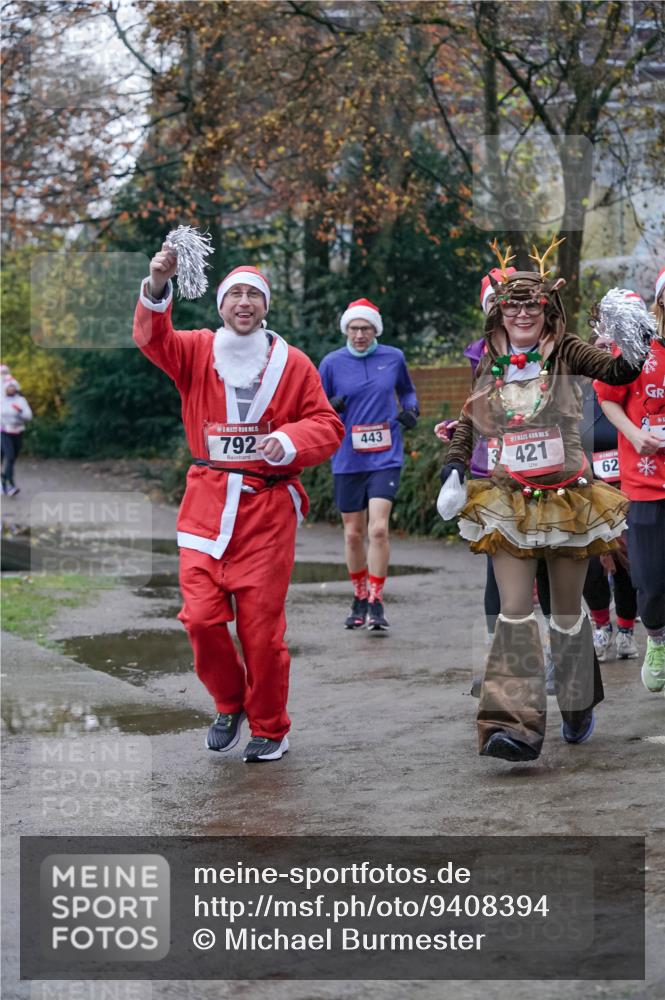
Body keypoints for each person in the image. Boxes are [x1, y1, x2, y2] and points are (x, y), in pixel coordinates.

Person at [440, 238, 650, 763]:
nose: (522, 314)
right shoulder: (490, 362)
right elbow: (469, 420)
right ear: (499, 314)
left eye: (532, 305)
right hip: (509, 499)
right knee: (513, 612)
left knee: (564, 612)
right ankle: (513, 726)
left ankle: (578, 703)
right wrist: (454, 468)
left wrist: (634, 335)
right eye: (512, 306)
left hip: (568, 498)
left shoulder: (568, 349)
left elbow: (620, 373)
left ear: (547, 309)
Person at [133, 246, 344, 762]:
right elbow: (152, 338)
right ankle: (229, 702)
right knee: (201, 619)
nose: (244, 303)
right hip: (206, 506)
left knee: (260, 632)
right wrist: (158, 285)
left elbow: (327, 425)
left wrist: (290, 440)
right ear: (221, 304)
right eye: (235, 295)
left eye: (253, 294)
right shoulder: (197, 350)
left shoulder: (293, 363)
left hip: (266, 515)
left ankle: (270, 727)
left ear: (265, 305)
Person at [319, 298, 419, 631]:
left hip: (385, 454)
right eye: (353, 328)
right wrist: (331, 406)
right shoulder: (332, 363)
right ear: (345, 329)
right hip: (347, 457)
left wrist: (411, 410)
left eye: (365, 328)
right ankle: (359, 596)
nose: (359, 334)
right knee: (353, 534)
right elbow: (315, 405)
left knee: (378, 528)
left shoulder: (393, 357)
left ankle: (376, 600)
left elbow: (407, 391)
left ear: (375, 329)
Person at [593, 268, 665, 694]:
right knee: (651, 581)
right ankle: (656, 639)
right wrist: (636, 434)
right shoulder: (639, 348)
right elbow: (606, 396)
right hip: (645, 482)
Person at [580, 324, 638, 662]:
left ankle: (627, 629)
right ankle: (601, 626)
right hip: (588, 489)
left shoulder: (630, 386)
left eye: (613, 345)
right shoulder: (578, 391)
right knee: (590, 563)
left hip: (629, 485)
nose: (607, 350)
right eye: (601, 344)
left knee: (628, 560)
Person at [1, 375, 32, 496]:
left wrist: (19, 413)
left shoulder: (21, 400)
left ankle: (4, 478)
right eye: (9, 387)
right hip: (4, 432)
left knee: (13, 458)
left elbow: (28, 416)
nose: (11, 389)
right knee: (9, 456)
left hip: (18, 432)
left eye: (13, 387)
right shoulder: (2, 401)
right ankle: (10, 484)